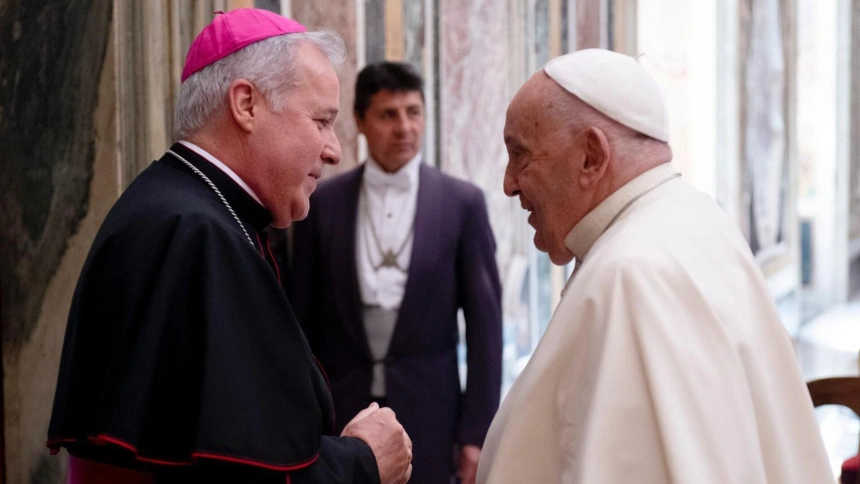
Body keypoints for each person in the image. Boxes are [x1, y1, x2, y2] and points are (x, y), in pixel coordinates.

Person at [47, 9, 412, 484]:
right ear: (246, 104)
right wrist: (363, 460)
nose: (334, 149)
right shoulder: (192, 235)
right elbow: (234, 473)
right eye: (322, 121)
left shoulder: (193, 212)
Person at [477, 48, 833, 483]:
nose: (508, 184)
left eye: (521, 154)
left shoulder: (633, 274)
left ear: (591, 156)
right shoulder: (693, 217)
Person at [290, 61, 502, 484]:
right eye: (389, 115)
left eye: (413, 112)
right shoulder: (323, 203)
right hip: (341, 413)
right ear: (360, 122)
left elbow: (485, 329)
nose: (404, 127)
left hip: (432, 414)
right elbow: (299, 319)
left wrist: (477, 434)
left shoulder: (462, 203)